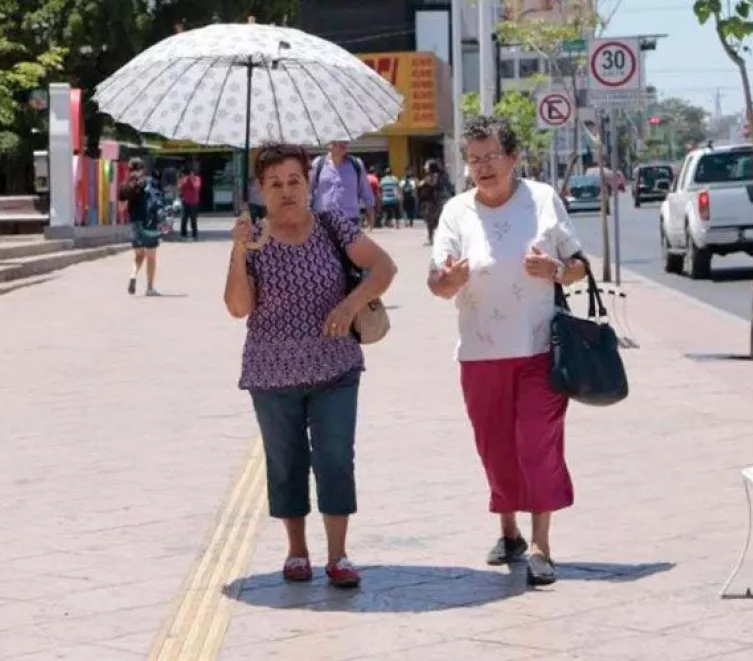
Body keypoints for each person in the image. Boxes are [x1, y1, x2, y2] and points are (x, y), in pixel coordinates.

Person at [224, 142, 397, 588]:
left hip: (335, 368)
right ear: (260, 190)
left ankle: (338, 555)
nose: (286, 191)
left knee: (336, 458)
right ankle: (296, 551)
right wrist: (238, 252)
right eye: (275, 183)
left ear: (309, 183)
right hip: (272, 372)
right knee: (285, 462)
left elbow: (384, 267)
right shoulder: (255, 238)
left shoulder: (333, 227)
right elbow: (238, 307)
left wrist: (350, 304)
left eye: (294, 181)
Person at [427, 115, 589, 586]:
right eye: (473, 159)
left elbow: (578, 265)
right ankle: (510, 532)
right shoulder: (456, 211)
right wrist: (447, 281)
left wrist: (556, 269)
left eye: (491, 156)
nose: (482, 167)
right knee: (495, 448)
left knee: (537, 444)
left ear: (513, 157)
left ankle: (541, 546)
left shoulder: (541, 199)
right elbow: (436, 280)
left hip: (540, 349)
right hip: (479, 353)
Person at [119, 158, 166, 295]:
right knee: (151, 257)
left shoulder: (124, 186)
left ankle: (133, 274)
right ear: (142, 169)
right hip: (149, 223)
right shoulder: (149, 183)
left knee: (139, 255)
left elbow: (121, 208)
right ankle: (150, 288)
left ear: (129, 169)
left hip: (134, 223)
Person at [309, 141, 375, 231]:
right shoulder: (318, 163)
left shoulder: (356, 164)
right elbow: (307, 190)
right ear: (329, 145)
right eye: (338, 142)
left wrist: (370, 213)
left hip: (350, 219)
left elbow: (365, 190)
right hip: (323, 220)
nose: (343, 144)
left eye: (345, 142)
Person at [418, 159, 452, 246]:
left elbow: (434, 184)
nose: (425, 167)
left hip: (437, 201)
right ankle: (431, 239)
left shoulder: (436, 175)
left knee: (436, 220)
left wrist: (424, 182)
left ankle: (435, 239)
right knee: (431, 220)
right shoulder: (431, 175)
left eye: (426, 165)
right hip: (432, 200)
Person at [178, 165, 202, 240]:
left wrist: (191, 180)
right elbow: (181, 186)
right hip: (185, 201)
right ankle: (183, 234)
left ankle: (195, 235)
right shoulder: (184, 179)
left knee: (193, 218)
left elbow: (196, 187)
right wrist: (187, 179)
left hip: (194, 201)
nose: (191, 174)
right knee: (184, 218)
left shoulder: (197, 179)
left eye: (192, 173)